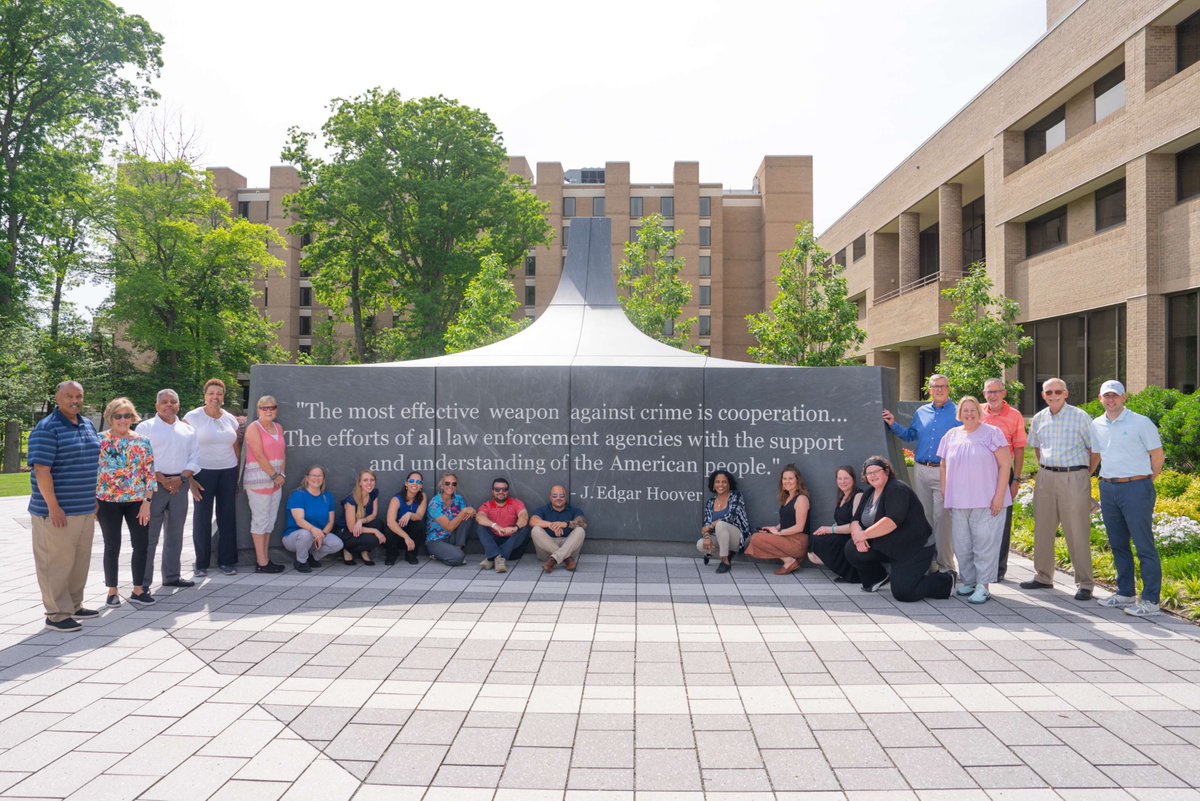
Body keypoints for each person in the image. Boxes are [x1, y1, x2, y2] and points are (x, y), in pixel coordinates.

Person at [28, 381, 102, 632]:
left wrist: (93, 498)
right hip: (56, 511)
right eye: (69, 396)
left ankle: (74, 604)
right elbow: (41, 470)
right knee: (55, 562)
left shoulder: (87, 424)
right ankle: (57, 614)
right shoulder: (47, 428)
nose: (75, 400)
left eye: (79, 396)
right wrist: (53, 507)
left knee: (79, 561)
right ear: (57, 398)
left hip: (84, 508)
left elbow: (91, 463)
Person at [1089, 380, 1165, 617]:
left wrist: (1144, 483)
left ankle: (1151, 600)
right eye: (1106, 396)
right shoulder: (1096, 424)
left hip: (1136, 487)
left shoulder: (1140, 422)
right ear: (1100, 399)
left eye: (1115, 396)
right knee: (1118, 543)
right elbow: (1096, 455)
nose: (1110, 400)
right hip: (1108, 488)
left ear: (1124, 398)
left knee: (1144, 545)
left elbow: (1157, 456)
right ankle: (1125, 593)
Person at [1020, 377, 1096, 600]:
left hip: (1074, 477)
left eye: (1057, 391)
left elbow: (1095, 450)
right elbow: (1037, 448)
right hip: (1045, 477)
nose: (1053, 395)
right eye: (1048, 392)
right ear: (1043, 395)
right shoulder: (1039, 418)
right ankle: (1043, 577)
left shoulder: (1080, 417)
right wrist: (1046, 468)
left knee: (1077, 532)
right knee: (1043, 529)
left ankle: (1085, 583)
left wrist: (1083, 474)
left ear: (1066, 394)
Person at [845, 455, 954, 602]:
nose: (872, 475)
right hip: (889, 546)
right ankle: (877, 578)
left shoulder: (897, 489)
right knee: (852, 547)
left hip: (913, 549)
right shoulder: (869, 493)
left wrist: (863, 535)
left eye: (876, 471)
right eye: (868, 473)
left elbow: (891, 521)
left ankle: (945, 581)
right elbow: (855, 520)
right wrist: (857, 535)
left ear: (887, 471)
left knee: (904, 593)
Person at [882, 374, 961, 573]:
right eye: (935, 387)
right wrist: (893, 424)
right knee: (924, 519)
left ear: (948, 389)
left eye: (943, 386)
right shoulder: (922, 412)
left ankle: (946, 567)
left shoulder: (958, 412)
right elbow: (910, 436)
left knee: (942, 520)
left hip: (945, 472)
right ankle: (928, 563)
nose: (939, 390)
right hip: (921, 471)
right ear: (929, 390)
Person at [938, 396, 1012, 605]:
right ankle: (969, 581)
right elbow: (943, 465)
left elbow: (1005, 465)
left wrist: (999, 496)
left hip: (987, 501)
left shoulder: (992, 434)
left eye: (973, 410)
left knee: (984, 545)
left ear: (980, 413)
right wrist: (945, 490)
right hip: (959, 501)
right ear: (959, 413)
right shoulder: (951, 435)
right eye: (965, 410)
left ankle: (984, 586)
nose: (969, 414)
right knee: (963, 545)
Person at [137, 389, 201, 590]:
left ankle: (172, 575)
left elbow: (195, 458)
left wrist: (182, 478)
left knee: (175, 533)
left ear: (178, 406)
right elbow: (141, 458)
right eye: (164, 402)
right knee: (149, 536)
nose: (169, 405)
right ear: (157, 406)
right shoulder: (145, 428)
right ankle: (143, 581)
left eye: (173, 401)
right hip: (153, 486)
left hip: (180, 485)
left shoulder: (188, 430)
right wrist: (161, 479)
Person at [97, 398, 158, 608]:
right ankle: (112, 590)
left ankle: (138, 590)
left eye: (127, 416)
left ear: (133, 417)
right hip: (108, 501)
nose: (123, 420)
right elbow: (92, 473)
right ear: (110, 418)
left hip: (137, 501)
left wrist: (147, 503)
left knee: (141, 544)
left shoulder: (142, 441)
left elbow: (149, 474)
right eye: (118, 416)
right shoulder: (100, 441)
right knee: (112, 545)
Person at [184, 378, 242, 576]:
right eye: (211, 393)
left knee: (227, 516)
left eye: (219, 394)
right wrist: (189, 479)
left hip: (228, 471)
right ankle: (201, 563)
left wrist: (238, 476)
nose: (215, 397)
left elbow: (236, 447)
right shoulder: (192, 418)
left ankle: (226, 561)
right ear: (205, 396)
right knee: (202, 517)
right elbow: (184, 448)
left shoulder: (230, 418)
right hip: (202, 472)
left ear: (223, 398)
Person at [980, 378, 1027, 581]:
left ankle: (998, 569)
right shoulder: (978, 412)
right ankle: (978, 566)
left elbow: (1019, 449)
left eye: (996, 392)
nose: (993, 396)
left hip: (1003, 473)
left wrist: (1015, 479)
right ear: (984, 394)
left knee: (1001, 520)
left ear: (1004, 393)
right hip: (978, 473)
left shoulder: (1015, 416)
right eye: (989, 392)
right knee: (978, 519)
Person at [242, 395, 285, 573]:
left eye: (272, 407)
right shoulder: (253, 428)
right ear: (258, 410)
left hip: (276, 481)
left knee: (270, 521)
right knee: (260, 521)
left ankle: (266, 558)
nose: (268, 411)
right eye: (264, 408)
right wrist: (274, 475)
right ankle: (261, 562)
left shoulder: (278, 427)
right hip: (258, 481)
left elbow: (283, 453)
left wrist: (281, 474)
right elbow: (259, 455)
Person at [743, 464, 811, 575]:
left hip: (798, 541)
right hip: (787, 537)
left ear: (797, 480)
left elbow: (799, 527)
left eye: (790, 478)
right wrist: (774, 528)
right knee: (759, 535)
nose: (787, 481)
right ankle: (789, 560)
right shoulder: (788, 498)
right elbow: (786, 521)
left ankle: (790, 561)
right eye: (784, 479)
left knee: (756, 538)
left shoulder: (801, 499)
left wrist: (779, 533)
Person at [282, 465, 343, 573]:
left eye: (320, 476)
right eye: (313, 475)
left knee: (337, 543)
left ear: (323, 479)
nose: (316, 478)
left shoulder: (327, 497)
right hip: (294, 537)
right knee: (306, 534)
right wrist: (314, 530)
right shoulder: (298, 495)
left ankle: (312, 557)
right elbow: (299, 520)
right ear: (307, 478)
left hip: (317, 535)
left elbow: (330, 521)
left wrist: (322, 535)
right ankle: (301, 561)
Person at [809, 466, 863, 583]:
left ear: (853, 479)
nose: (842, 482)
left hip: (851, 537)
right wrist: (827, 529)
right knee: (814, 543)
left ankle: (852, 572)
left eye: (846, 478)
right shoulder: (842, 497)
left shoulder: (858, 495)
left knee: (820, 541)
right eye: (839, 478)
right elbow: (840, 521)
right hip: (840, 534)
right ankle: (844, 569)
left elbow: (855, 526)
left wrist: (830, 530)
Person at [696, 469, 752, 574]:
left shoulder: (736, 496)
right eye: (717, 482)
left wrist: (712, 524)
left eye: (724, 482)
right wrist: (707, 537)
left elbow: (731, 517)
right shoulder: (711, 502)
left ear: (729, 484)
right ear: (713, 485)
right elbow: (705, 525)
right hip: (721, 537)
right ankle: (728, 553)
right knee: (700, 544)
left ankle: (725, 561)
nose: (720, 484)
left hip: (738, 537)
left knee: (720, 524)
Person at [475, 476, 529, 574]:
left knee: (524, 528)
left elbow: (524, 516)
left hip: (512, 545)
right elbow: (479, 517)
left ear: (508, 491)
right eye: (497, 489)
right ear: (492, 491)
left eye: (504, 489)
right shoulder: (487, 505)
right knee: (480, 526)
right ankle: (499, 558)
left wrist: (514, 528)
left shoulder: (516, 503)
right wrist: (494, 525)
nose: (501, 492)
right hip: (494, 542)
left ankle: (492, 558)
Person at [530, 485, 587, 573]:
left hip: (568, 546)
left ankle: (553, 560)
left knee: (580, 530)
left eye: (562, 496)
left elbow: (582, 523)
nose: (558, 498)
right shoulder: (543, 510)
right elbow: (533, 521)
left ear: (566, 497)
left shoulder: (574, 510)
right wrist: (551, 525)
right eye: (555, 496)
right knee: (535, 530)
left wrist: (565, 524)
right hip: (547, 550)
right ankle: (566, 559)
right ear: (550, 497)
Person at [426, 472, 475, 566]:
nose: (451, 486)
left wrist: (472, 511)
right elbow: (449, 527)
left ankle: (458, 548)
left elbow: (468, 514)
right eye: (447, 483)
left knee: (468, 517)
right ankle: (438, 554)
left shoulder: (458, 499)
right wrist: (464, 510)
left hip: (453, 538)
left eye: (454, 484)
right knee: (458, 557)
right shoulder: (435, 504)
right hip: (436, 540)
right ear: (442, 485)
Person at [340, 469, 385, 565]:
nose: (369, 483)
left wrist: (361, 521)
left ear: (375, 482)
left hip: (360, 527)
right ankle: (347, 549)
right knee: (374, 539)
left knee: (378, 523)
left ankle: (364, 551)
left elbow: (373, 515)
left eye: (372, 480)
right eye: (365, 480)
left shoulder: (373, 493)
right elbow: (352, 528)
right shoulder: (351, 500)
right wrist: (375, 531)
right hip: (346, 532)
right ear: (360, 483)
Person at [385, 471, 426, 565]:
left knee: (419, 525)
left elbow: (419, 516)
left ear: (421, 486)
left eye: (418, 482)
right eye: (412, 481)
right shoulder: (396, 499)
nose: (415, 484)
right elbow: (390, 522)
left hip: (411, 533)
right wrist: (406, 537)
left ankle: (411, 554)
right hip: (397, 534)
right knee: (389, 529)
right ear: (406, 483)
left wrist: (410, 514)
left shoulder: (422, 496)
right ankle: (392, 554)